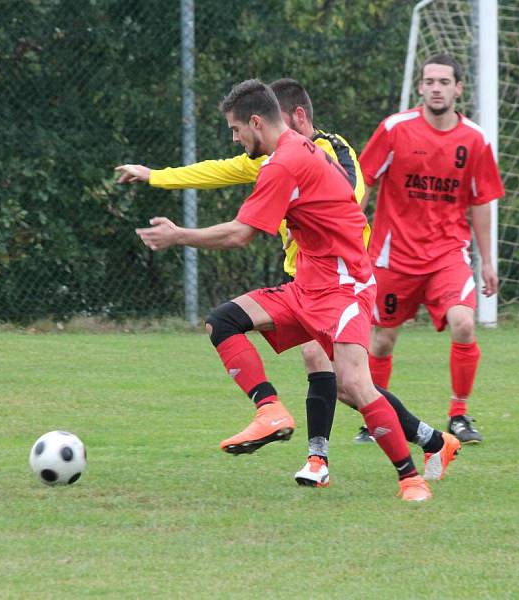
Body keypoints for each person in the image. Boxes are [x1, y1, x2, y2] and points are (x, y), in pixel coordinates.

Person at [119, 79, 459, 488]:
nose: (233, 137)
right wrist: (156, 176)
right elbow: (221, 171)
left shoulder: (291, 160)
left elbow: (240, 234)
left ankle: (410, 478)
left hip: (345, 284)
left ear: (258, 122)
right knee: (223, 321)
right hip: (306, 284)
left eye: (235, 129)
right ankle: (273, 412)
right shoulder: (282, 154)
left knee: (353, 384)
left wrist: (178, 236)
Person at [357, 53, 505, 445]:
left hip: (447, 255)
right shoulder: (394, 129)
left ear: (458, 88)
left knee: (464, 323)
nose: (436, 88)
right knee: (382, 340)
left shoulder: (474, 139)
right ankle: (376, 419)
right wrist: (348, 235)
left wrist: (488, 261)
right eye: (429, 81)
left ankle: (459, 415)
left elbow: (480, 202)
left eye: (444, 82)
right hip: (393, 257)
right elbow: (363, 182)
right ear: (420, 87)